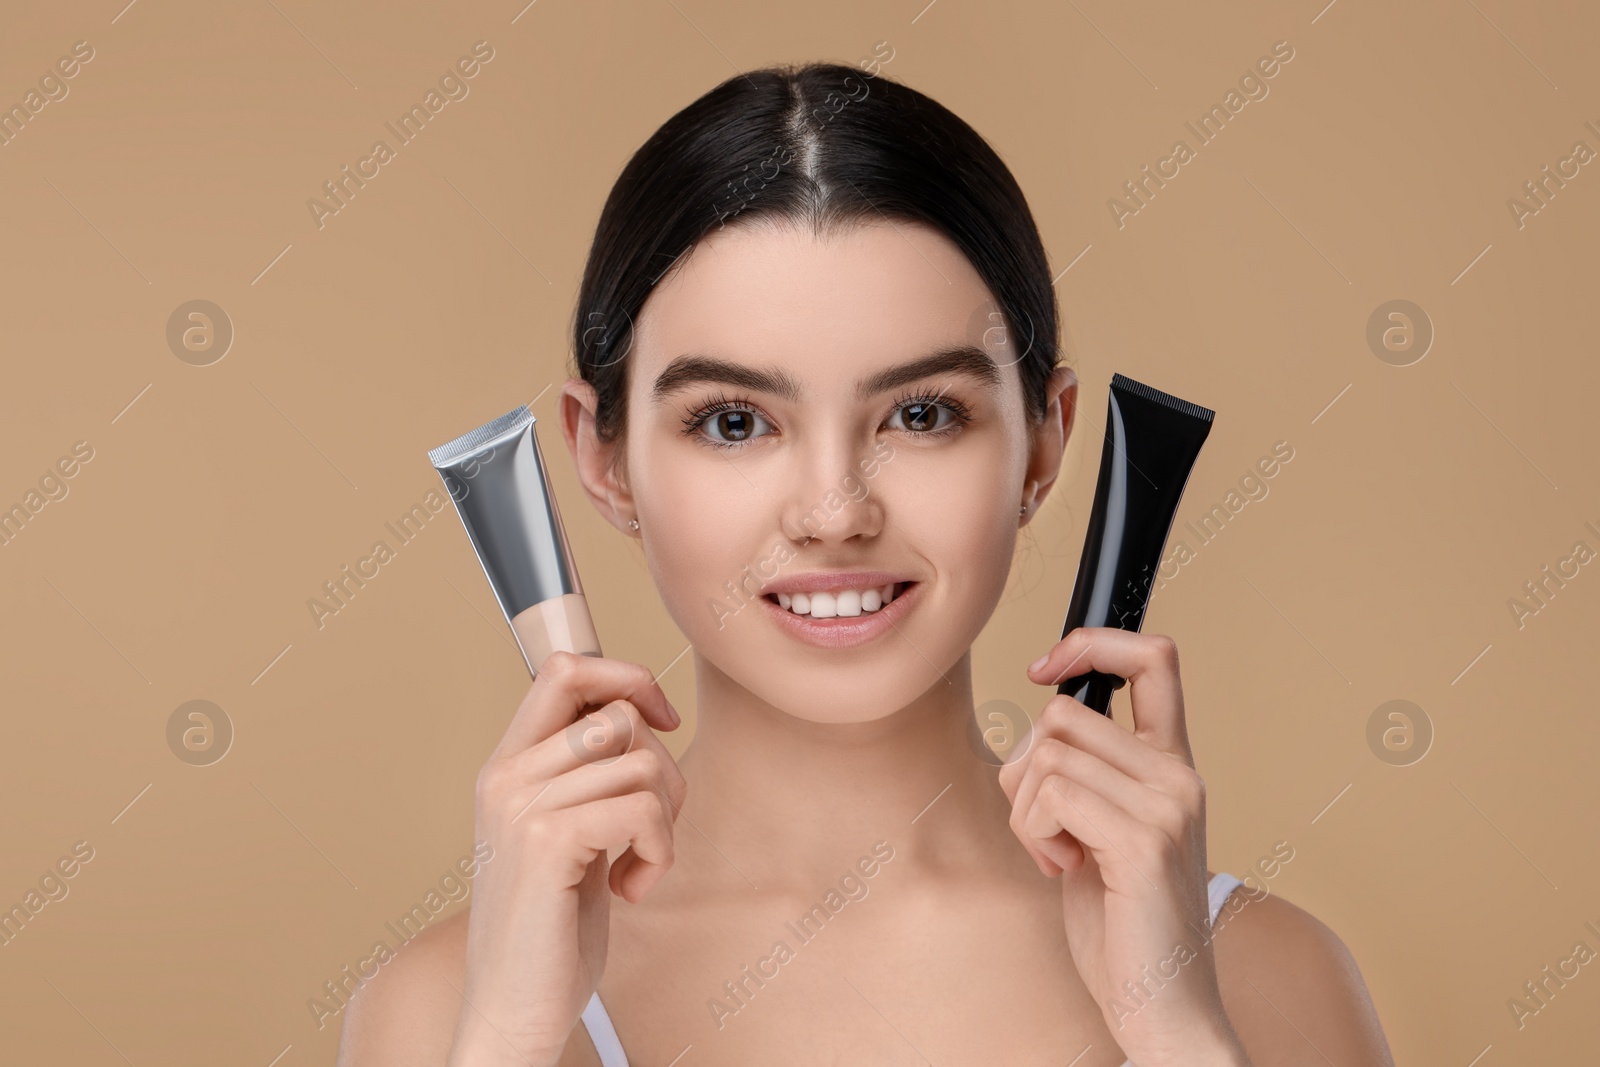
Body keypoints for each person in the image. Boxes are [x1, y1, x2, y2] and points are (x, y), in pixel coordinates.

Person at [337, 61, 1394, 1066]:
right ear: (602, 457)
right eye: (736, 420)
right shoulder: (445, 1009)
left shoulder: (1262, 979)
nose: (835, 510)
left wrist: (1176, 1029)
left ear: (1042, 441)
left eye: (922, 413)